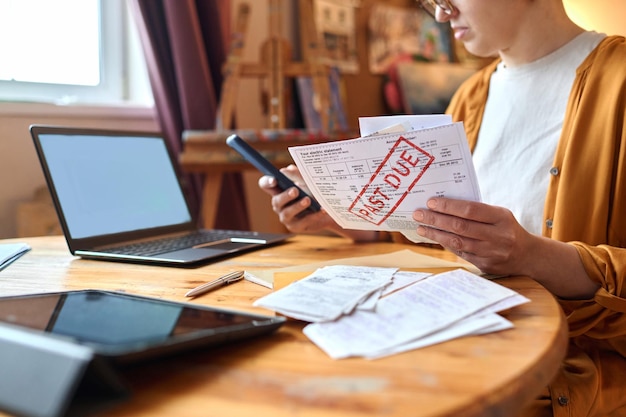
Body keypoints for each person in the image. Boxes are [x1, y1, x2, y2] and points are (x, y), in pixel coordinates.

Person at [258, 0, 626, 415]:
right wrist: (346, 220)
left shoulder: (620, 81)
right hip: (463, 343)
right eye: (431, 1)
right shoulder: (471, 96)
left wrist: (530, 254)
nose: (440, 14)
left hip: (564, 373)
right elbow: (440, 232)